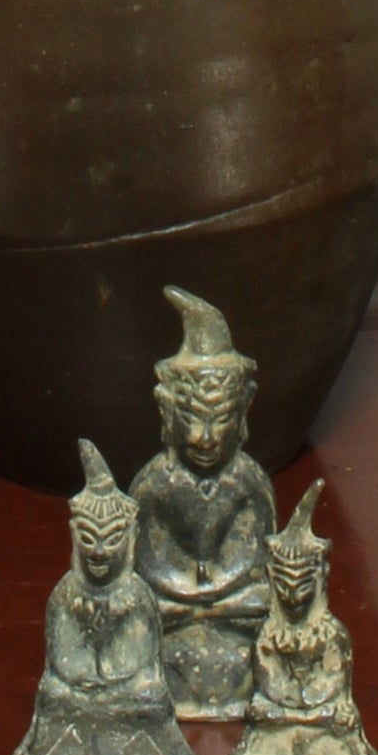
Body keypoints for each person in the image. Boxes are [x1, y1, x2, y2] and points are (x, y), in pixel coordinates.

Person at [11, 439, 201, 755]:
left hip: (127, 694)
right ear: (74, 537)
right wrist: (87, 682)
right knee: (52, 695)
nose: (99, 551)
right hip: (79, 692)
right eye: (89, 538)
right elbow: (61, 663)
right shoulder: (65, 595)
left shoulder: (138, 597)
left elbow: (143, 668)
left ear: (130, 539)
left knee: (153, 700)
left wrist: (113, 682)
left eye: (111, 539)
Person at [130, 287, 277, 720]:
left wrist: (219, 601)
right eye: (193, 418)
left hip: (234, 621)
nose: (205, 439)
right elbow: (140, 578)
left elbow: (259, 576)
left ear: (244, 411)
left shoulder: (250, 485)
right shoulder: (154, 486)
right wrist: (185, 602)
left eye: (220, 419)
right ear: (166, 411)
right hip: (170, 624)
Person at [231, 479, 378, 755]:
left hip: (319, 716)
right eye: (284, 585)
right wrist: (295, 706)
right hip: (284, 715)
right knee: (261, 713)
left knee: (343, 721)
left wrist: (312, 708)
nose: (292, 597)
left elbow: (334, 687)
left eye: (301, 585)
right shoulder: (267, 635)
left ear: (319, 579)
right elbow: (269, 687)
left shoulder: (331, 635)